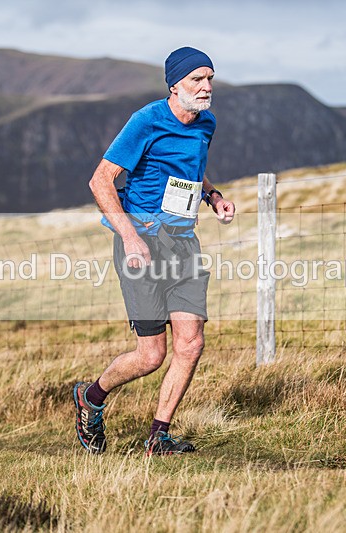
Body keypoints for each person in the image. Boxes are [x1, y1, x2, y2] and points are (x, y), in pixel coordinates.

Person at [74, 46, 236, 456]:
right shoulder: (145, 121)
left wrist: (213, 196)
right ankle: (90, 397)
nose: (206, 87)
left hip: (183, 245)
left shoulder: (206, 123)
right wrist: (129, 236)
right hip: (142, 243)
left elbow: (191, 173)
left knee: (191, 342)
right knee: (151, 355)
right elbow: (100, 181)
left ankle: (158, 437)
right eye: (197, 79)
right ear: (175, 83)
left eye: (210, 78)